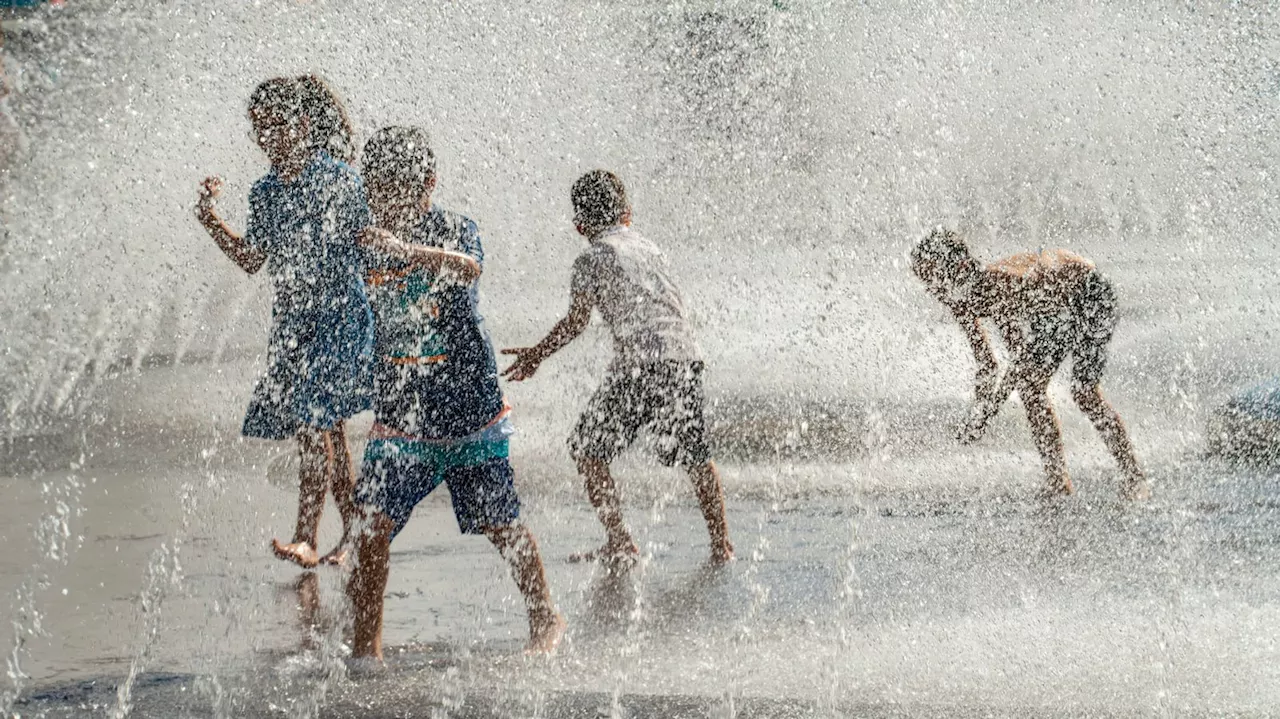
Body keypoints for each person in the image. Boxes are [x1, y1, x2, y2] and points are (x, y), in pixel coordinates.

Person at [346, 127, 565, 662]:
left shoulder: (454, 229)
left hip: (469, 414)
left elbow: (470, 268)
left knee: (501, 524)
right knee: (369, 530)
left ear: (429, 184)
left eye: (402, 188)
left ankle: (545, 616)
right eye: (379, 188)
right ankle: (364, 647)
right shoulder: (361, 238)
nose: (390, 201)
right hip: (402, 417)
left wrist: (408, 250)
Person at [502, 170, 734, 565]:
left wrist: (536, 355)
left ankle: (621, 541)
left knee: (588, 451)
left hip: (640, 367)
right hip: (684, 357)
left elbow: (576, 323)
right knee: (695, 454)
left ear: (579, 225)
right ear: (627, 213)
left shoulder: (590, 259)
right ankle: (721, 544)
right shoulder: (649, 247)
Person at [195, 75, 373, 568]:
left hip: (341, 317)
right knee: (326, 430)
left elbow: (371, 243)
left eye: (275, 126)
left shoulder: (340, 178)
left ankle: (306, 537)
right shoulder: (265, 191)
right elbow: (254, 259)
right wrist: (211, 219)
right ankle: (355, 534)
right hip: (295, 324)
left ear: (303, 124)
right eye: (259, 129)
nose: (266, 138)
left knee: (314, 421)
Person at [909, 227, 1151, 500]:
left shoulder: (998, 284)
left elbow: (1020, 357)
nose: (931, 288)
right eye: (924, 280)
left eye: (933, 276)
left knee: (1084, 394)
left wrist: (988, 415)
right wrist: (977, 414)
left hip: (1089, 292)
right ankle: (1058, 482)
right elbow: (987, 365)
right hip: (1052, 309)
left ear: (960, 267)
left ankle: (1134, 476)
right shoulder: (960, 302)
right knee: (1031, 388)